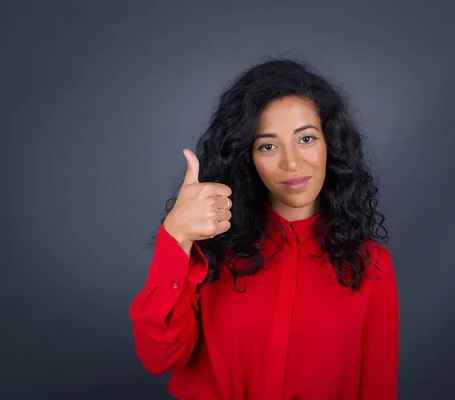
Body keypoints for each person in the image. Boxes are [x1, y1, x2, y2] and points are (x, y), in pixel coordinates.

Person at [129, 58, 400, 400]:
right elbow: (159, 357)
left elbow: (378, 388)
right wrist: (176, 239)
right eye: (268, 146)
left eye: (306, 139)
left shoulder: (371, 264)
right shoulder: (210, 249)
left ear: (330, 143)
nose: (291, 163)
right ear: (247, 157)